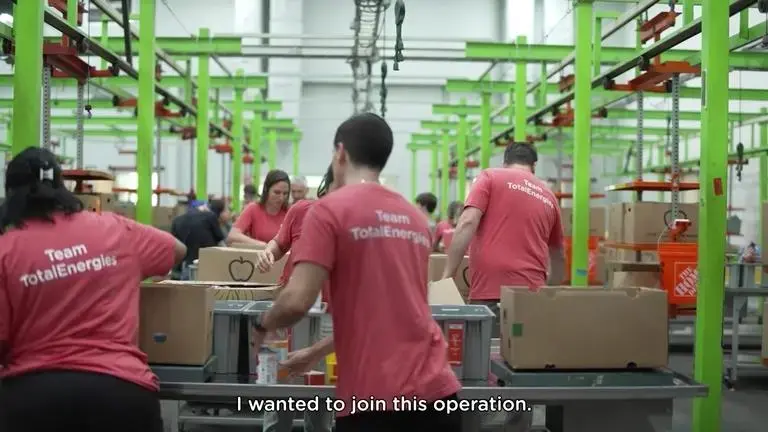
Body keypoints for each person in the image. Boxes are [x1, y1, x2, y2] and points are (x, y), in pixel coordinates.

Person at [251, 113, 462, 432]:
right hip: (439, 395)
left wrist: (261, 324)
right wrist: (315, 352)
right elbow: (390, 315)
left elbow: (296, 300)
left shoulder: (329, 210)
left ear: (340, 153)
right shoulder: (414, 217)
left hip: (375, 400)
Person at [0, 147, 186, 432]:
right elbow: (177, 250)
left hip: (35, 399)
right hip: (121, 393)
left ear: (11, 194)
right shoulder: (114, 229)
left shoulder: (6, 251)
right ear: (60, 187)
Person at [442, 142, 565, 329]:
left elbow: (467, 221)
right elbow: (558, 255)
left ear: (505, 162)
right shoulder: (549, 196)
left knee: (487, 354)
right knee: (525, 355)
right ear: (533, 166)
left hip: (491, 292)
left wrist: (447, 276)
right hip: (533, 296)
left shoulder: (490, 177)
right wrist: (548, 294)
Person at [255, 165, 337, 432]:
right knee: (280, 384)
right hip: (291, 309)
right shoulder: (302, 211)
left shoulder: (356, 223)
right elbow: (279, 244)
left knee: (321, 391)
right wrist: (267, 252)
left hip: (328, 313)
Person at [227, 169, 290, 246]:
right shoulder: (253, 209)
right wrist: (263, 245)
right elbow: (232, 236)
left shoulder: (290, 212)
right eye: (277, 192)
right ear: (266, 190)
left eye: (285, 193)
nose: (281, 198)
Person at [170, 199, 230, 280]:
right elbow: (222, 244)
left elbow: (173, 247)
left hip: (185, 269)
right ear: (221, 212)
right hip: (206, 269)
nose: (229, 213)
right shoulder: (211, 216)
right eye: (227, 210)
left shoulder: (178, 220)